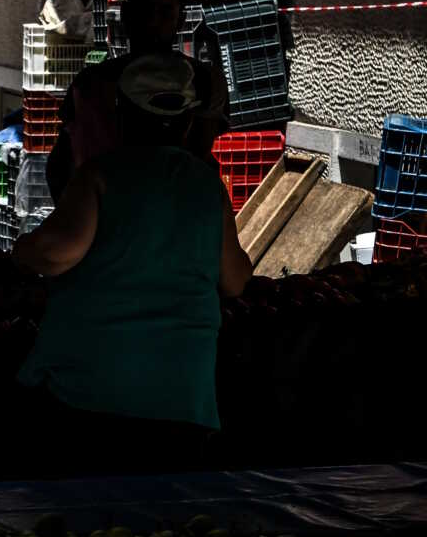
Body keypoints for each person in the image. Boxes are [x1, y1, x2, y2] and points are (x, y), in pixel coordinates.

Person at [13, 52, 252, 473]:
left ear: (121, 115)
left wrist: (21, 249)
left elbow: (55, 252)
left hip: (93, 394)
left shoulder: (100, 176)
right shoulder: (207, 185)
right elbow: (234, 280)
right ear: (188, 121)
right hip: (182, 399)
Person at [52, 0, 226, 196]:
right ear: (126, 14)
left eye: (165, 11)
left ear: (181, 20)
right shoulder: (91, 85)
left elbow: (201, 158)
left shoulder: (204, 82)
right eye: (145, 9)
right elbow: (60, 167)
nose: (153, 21)